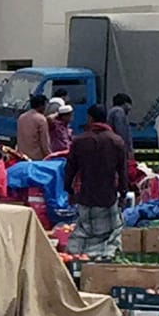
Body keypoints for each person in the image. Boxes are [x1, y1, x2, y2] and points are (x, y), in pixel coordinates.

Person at [65, 104, 129, 256]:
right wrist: (123, 193)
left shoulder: (80, 141)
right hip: (108, 196)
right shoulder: (116, 141)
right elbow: (122, 171)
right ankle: (106, 257)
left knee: (84, 232)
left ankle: (79, 260)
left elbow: (70, 169)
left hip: (86, 196)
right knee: (111, 233)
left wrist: (69, 190)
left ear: (90, 119)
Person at [17, 93, 51, 160]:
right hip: (36, 158)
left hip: (22, 156)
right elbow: (45, 143)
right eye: (45, 105)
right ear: (41, 105)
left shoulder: (21, 117)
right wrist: (49, 156)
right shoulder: (41, 119)